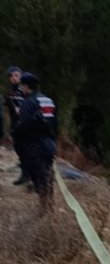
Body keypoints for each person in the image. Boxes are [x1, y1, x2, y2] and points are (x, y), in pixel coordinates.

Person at [14, 72, 57, 203]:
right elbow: (55, 123)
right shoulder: (48, 100)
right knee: (47, 173)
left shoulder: (28, 103)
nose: (21, 89)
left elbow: (24, 125)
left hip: (34, 145)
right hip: (49, 143)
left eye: (22, 86)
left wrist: (15, 133)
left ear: (27, 87)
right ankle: (49, 201)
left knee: (37, 175)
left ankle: (44, 206)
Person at [4, 66, 28, 184]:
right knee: (19, 150)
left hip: (24, 125)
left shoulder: (23, 89)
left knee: (27, 151)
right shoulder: (10, 91)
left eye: (16, 75)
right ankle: (24, 175)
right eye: (11, 76)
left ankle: (30, 177)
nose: (13, 78)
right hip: (15, 126)